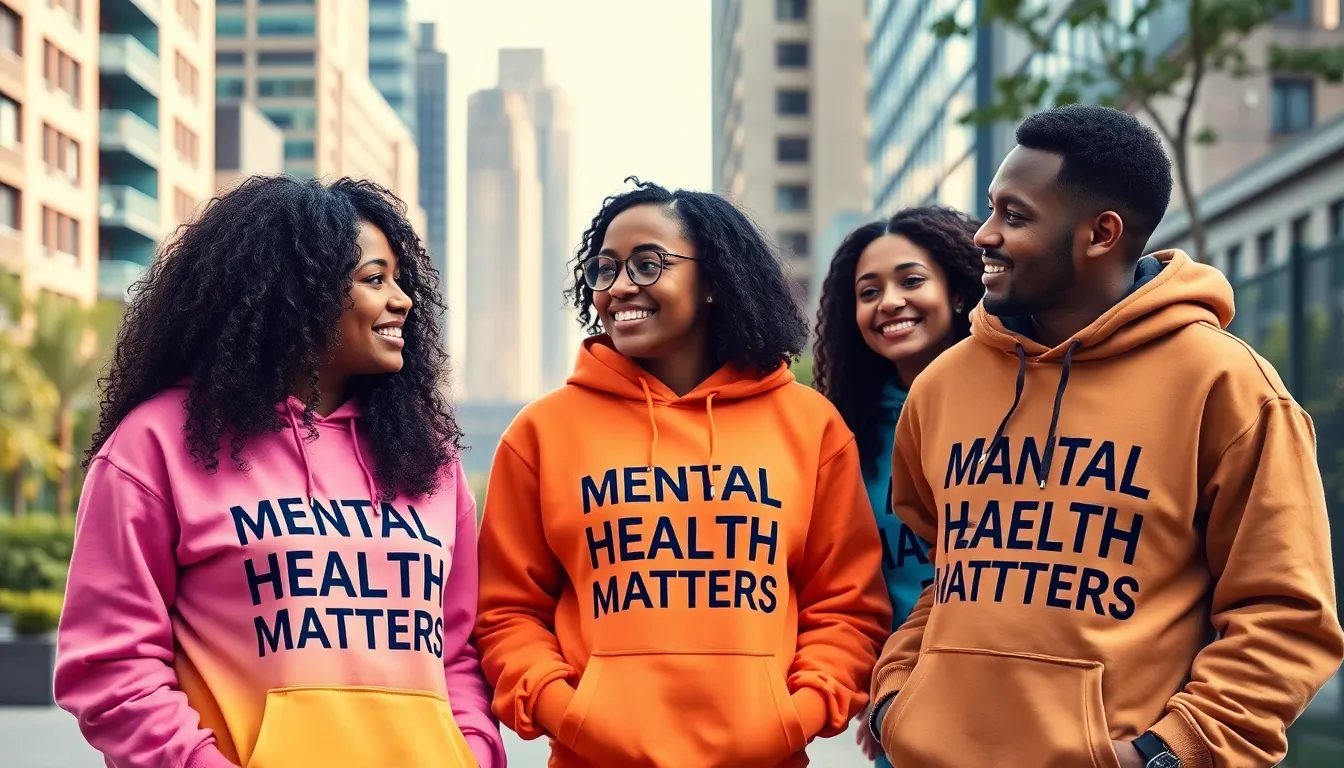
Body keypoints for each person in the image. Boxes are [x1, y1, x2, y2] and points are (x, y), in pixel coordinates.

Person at [868, 103, 1344, 768]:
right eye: (990, 209)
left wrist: (1162, 754)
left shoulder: (1226, 386)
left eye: (1015, 215)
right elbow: (942, 574)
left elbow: (1285, 617)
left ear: (1101, 233)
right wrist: (896, 700)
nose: (983, 235)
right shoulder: (943, 386)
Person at [54, 177, 505, 768]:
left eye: (399, 278)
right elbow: (112, 664)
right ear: (298, 294)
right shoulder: (156, 445)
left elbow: (457, 653)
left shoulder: (428, 458)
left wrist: (470, 754)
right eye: (375, 279)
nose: (403, 300)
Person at [473, 177, 892, 768]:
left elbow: (846, 608)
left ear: (715, 280)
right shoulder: (541, 433)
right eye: (606, 268)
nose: (619, 287)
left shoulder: (810, 425)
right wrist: (569, 711)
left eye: (648, 265)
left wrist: (791, 715)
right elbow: (506, 613)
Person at [811, 206, 985, 765]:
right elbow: (847, 589)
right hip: (907, 713)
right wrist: (878, 695)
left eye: (911, 280)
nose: (888, 302)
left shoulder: (1018, 406)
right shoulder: (843, 437)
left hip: (1020, 700)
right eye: (869, 291)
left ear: (958, 292)